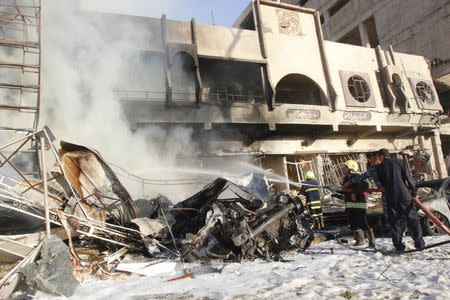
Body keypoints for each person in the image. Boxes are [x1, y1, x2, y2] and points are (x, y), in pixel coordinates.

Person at [373, 148, 425, 251]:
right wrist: (413, 192)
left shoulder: (379, 168)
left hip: (390, 197)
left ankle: (399, 246)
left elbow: (381, 183)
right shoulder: (399, 162)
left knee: (395, 222)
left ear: (381, 156)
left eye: (378, 157)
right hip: (404, 195)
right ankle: (419, 244)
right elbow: (408, 177)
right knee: (412, 220)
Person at [341, 160, 375, 247]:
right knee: (353, 223)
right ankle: (359, 240)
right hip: (349, 205)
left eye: (345, 167)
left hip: (359, 204)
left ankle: (371, 242)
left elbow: (365, 184)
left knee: (362, 222)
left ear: (350, 168)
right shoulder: (346, 178)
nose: (342, 169)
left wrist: (354, 193)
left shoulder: (357, 176)